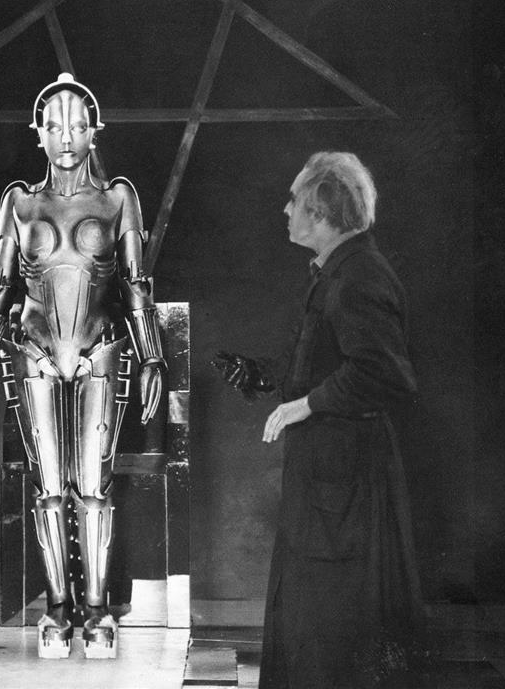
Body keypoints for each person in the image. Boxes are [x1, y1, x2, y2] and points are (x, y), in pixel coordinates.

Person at [0, 73, 165, 659]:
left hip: (99, 347)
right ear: (40, 134)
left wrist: (151, 354)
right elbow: (0, 284)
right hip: (35, 351)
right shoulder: (20, 202)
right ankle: (57, 609)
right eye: (55, 126)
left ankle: (96, 611)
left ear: (93, 131)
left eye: (76, 126)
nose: (66, 137)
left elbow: (136, 283)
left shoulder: (118, 198)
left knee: (94, 488)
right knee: (49, 487)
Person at [213, 152, 423, 687]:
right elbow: (318, 364)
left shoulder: (358, 277)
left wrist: (303, 405)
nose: (286, 211)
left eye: (295, 201)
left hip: (348, 480)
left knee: (335, 613)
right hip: (330, 473)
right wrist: (259, 375)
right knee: (317, 609)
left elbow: (384, 373)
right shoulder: (336, 273)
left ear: (323, 212)